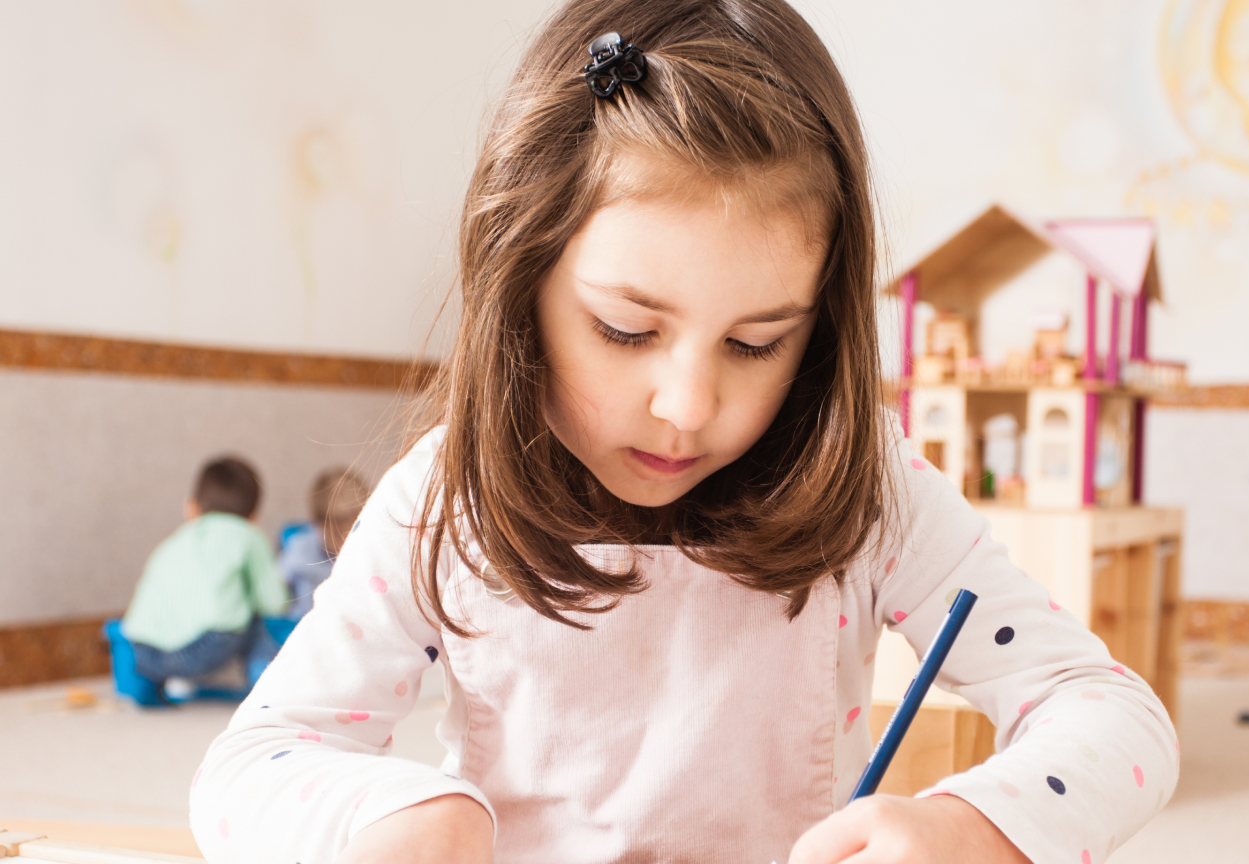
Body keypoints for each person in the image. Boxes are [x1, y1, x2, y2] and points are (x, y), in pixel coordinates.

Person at [189, 1, 1178, 862]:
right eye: (625, 329)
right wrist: (405, 815)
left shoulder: (868, 485)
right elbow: (247, 769)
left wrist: (980, 827)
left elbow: (1113, 715)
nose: (687, 406)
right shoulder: (450, 493)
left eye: (755, 342)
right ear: (520, 279)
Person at [121, 456, 289, 702]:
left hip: (143, 649)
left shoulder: (174, 541)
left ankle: (147, 686)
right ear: (254, 516)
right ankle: (264, 679)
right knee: (256, 621)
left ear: (191, 508)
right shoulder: (248, 536)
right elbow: (274, 603)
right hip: (205, 649)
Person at [278, 467, 372, 620]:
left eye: (354, 531)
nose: (346, 542)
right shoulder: (301, 548)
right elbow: (275, 585)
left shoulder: (368, 554)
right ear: (317, 524)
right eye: (337, 534)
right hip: (303, 627)